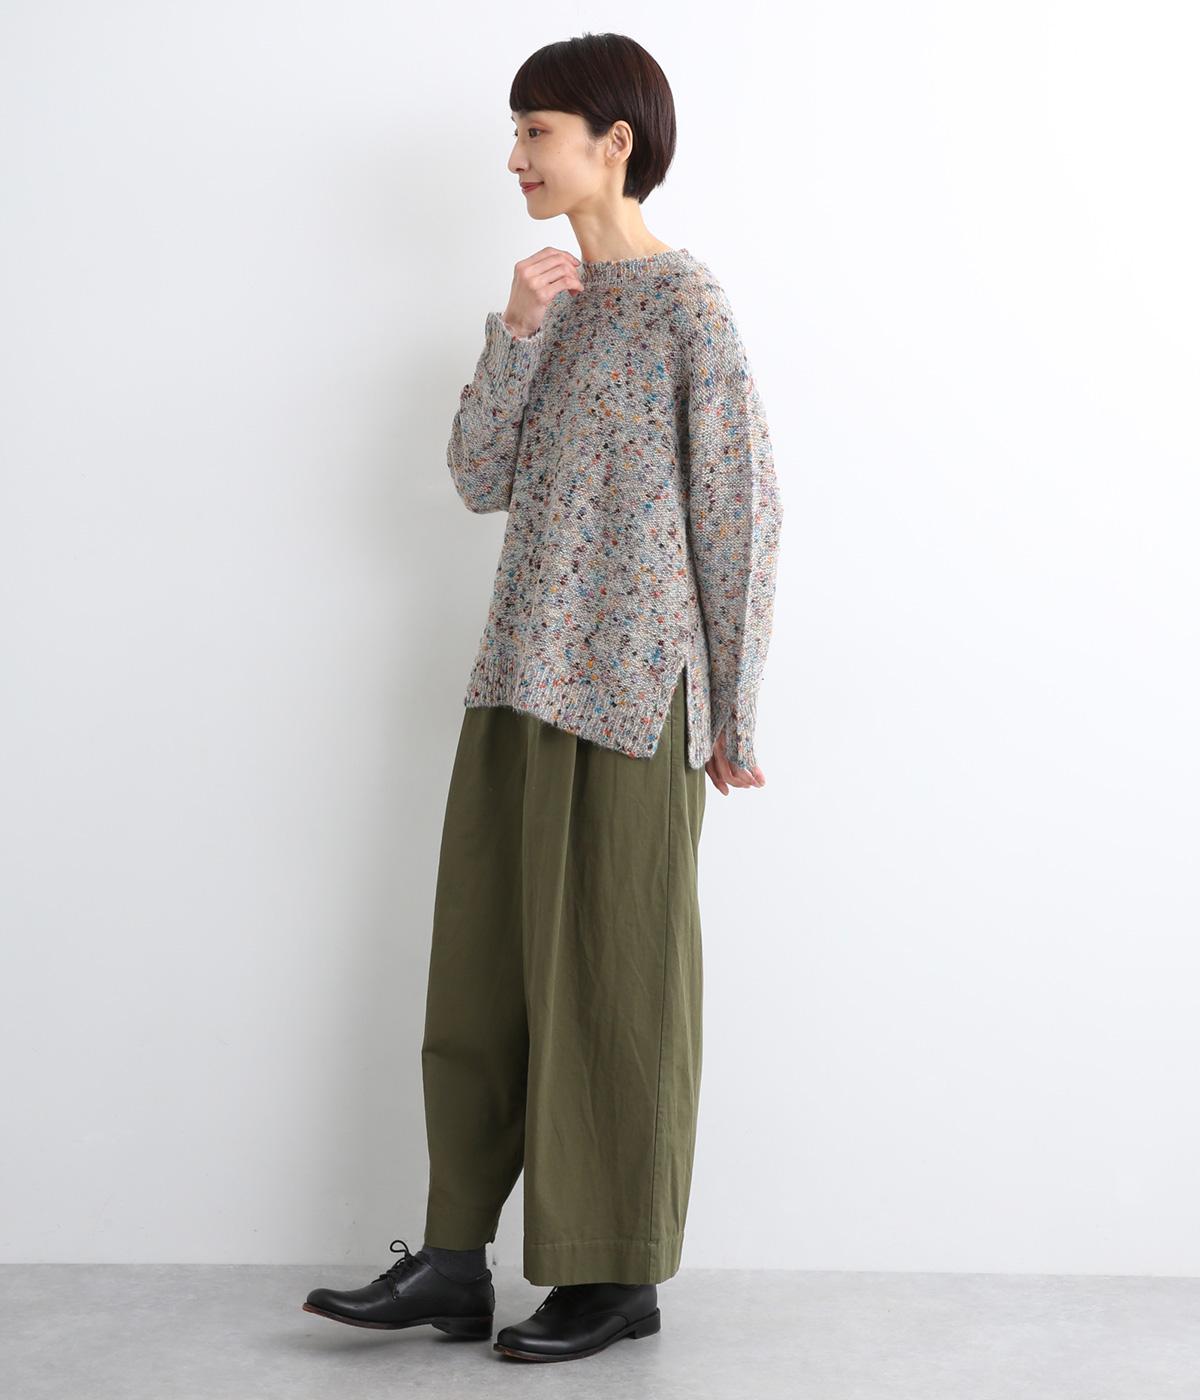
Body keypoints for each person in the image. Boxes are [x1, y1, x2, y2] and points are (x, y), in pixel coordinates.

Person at [303, 30, 784, 1364]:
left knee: (614, 983)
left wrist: (734, 711)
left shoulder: (688, 304)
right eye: (514, 132)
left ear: (613, 143)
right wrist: (515, 334)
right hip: (517, 677)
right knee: (481, 976)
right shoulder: (550, 303)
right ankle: (454, 1261)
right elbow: (477, 480)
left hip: (633, 694)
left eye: (537, 131)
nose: (515, 156)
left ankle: (613, 1276)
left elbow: (742, 518)